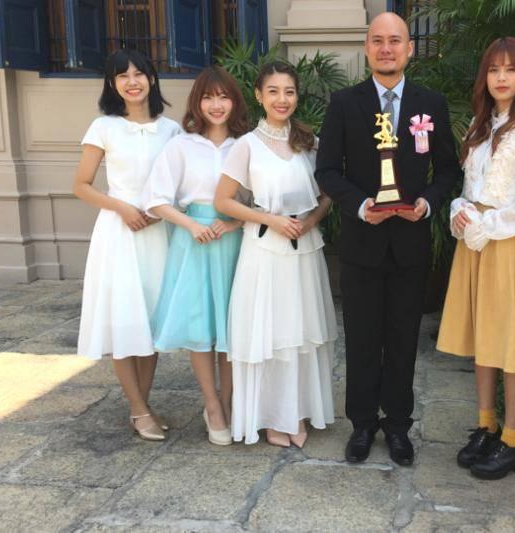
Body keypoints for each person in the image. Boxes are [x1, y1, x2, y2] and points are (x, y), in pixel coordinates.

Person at [315, 12, 460, 466]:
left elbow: (448, 170)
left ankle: (398, 426)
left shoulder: (430, 103)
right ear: (366, 48)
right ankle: (361, 425)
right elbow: (327, 170)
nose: (386, 48)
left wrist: (428, 203)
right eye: (377, 40)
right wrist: (360, 205)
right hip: (362, 243)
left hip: (410, 243)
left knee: (402, 339)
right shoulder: (345, 103)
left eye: (395, 40)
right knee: (361, 339)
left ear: (409, 49)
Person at [436, 36, 515, 479]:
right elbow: (471, 188)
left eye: (510, 69)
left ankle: (514, 438)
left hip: (508, 239)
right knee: (483, 339)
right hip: (475, 241)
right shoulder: (479, 126)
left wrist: (492, 224)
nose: (501, 78)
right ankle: (486, 425)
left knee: (509, 342)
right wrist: (461, 210)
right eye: (493, 69)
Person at [214, 61, 336, 448]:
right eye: (273, 91)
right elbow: (223, 201)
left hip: (304, 249)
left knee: (300, 331)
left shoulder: (310, 142)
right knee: (271, 332)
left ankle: (296, 413)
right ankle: (270, 417)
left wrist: (311, 220)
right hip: (264, 250)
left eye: (289, 91)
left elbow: (327, 195)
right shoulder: (246, 146)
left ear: (297, 96)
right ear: (258, 95)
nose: (282, 99)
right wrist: (270, 219)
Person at [73, 50, 181, 441]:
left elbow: (180, 184)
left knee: (151, 321)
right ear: (112, 84)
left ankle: (143, 406)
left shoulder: (172, 131)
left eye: (139, 74)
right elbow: (81, 185)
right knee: (124, 321)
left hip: (157, 232)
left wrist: (160, 212)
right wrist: (122, 207)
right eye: (123, 76)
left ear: (152, 79)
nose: (132, 81)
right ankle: (138, 409)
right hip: (119, 233)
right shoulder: (103, 127)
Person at [142, 66, 248, 446]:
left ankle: (230, 402)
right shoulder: (181, 146)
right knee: (201, 326)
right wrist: (190, 225)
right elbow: (155, 200)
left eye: (223, 97)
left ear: (235, 102)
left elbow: (262, 201)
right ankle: (212, 406)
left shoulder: (246, 145)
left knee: (232, 326)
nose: (216, 105)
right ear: (196, 103)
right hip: (195, 242)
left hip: (235, 241)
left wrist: (234, 224)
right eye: (208, 97)